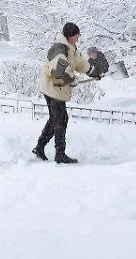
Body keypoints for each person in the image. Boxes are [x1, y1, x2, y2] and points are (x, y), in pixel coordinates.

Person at [34, 22, 91, 164]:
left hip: (58, 88)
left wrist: (92, 71)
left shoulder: (70, 48)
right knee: (60, 120)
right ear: (70, 35)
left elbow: (79, 63)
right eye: (76, 36)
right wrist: (72, 80)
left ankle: (40, 147)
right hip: (53, 89)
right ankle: (59, 153)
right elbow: (59, 73)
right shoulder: (59, 50)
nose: (78, 38)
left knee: (56, 119)